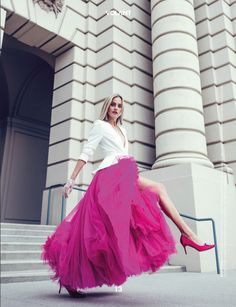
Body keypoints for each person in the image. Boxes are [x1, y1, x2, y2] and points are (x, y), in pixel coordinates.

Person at [42, 93, 215, 298]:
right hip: (109, 176)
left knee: (145, 203)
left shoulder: (122, 129)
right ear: (107, 107)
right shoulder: (100, 125)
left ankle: (188, 236)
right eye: (113, 105)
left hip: (125, 172)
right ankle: (189, 236)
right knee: (107, 226)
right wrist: (71, 180)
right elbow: (87, 152)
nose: (116, 108)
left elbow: (123, 154)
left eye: (119, 106)